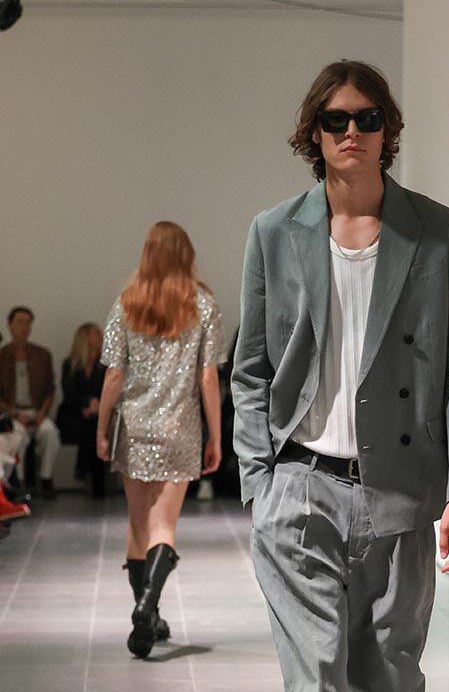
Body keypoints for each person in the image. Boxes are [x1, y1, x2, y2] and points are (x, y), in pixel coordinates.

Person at [232, 60, 449, 691]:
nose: (352, 132)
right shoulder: (273, 232)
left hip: (401, 492)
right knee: (315, 678)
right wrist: (260, 485)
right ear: (314, 133)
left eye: (367, 119)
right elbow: (251, 369)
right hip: (300, 487)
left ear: (386, 130)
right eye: (336, 119)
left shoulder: (436, 231)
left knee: (390, 675)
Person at [96, 221, 226, 658]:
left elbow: (114, 375)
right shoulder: (203, 305)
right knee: (163, 527)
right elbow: (208, 378)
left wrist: (101, 428)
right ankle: (148, 611)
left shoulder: (126, 303)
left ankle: (146, 612)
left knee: (138, 527)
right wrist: (215, 435)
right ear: (186, 255)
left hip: (133, 429)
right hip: (180, 429)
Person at [0, 307, 61, 499]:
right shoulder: (2, 356)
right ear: (10, 325)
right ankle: (19, 481)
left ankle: (46, 478)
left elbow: (50, 389)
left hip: (37, 410)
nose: (24, 327)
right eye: (20, 322)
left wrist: (43, 412)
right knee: (18, 436)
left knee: (50, 433)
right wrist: (14, 413)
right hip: (13, 412)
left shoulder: (42, 355)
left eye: (28, 322)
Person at [57, 323, 106, 497]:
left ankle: (84, 470)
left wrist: (96, 405)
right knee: (89, 426)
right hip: (74, 414)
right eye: (96, 333)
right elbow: (69, 394)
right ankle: (96, 479)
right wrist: (86, 404)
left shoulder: (104, 365)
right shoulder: (70, 365)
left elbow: (108, 391)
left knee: (92, 425)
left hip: (98, 413)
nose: (100, 336)